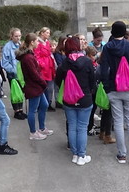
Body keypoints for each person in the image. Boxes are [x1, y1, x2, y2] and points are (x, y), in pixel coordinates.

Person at [100, 21, 129, 167]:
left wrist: (106, 87)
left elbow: (103, 69)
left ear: (112, 32)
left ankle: (122, 154)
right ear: (124, 32)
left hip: (113, 88)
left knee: (117, 122)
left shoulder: (107, 48)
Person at [55, 37, 95, 165]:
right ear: (78, 46)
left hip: (69, 100)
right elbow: (92, 81)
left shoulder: (64, 63)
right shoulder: (87, 61)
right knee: (82, 127)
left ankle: (75, 154)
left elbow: (57, 80)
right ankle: (82, 155)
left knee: (72, 126)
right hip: (85, 98)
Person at [16, 33, 53, 140]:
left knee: (44, 105)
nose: (38, 43)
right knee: (32, 110)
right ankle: (33, 132)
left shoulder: (30, 55)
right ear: (32, 43)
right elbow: (34, 74)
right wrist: (43, 82)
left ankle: (41, 128)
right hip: (33, 87)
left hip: (37, 87)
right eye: (37, 41)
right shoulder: (27, 58)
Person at [86, 46, 115, 144]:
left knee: (104, 113)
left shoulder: (99, 65)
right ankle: (107, 135)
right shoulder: (109, 67)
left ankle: (102, 133)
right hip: (108, 91)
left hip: (100, 91)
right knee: (109, 113)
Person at [1, 28, 27, 120]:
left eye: (19, 36)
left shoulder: (20, 45)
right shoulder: (7, 47)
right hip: (13, 73)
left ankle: (21, 109)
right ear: (11, 36)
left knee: (21, 91)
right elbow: (4, 63)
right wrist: (13, 70)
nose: (18, 38)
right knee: (15, 92)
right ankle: (16, 111)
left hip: (21, 73)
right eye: (16, 36)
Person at [34, 27, 56, 111]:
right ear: (42, 33)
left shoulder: (47, 42)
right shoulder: (38, 43)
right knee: (43, 86)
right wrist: (42, 64)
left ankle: (48, 103)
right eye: (47, 32)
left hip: (49, 66)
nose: (48, 34)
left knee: (49, 87)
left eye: (49, 33)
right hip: (43, 68)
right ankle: (42, 104)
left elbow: (48, 52)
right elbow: (36, 55)